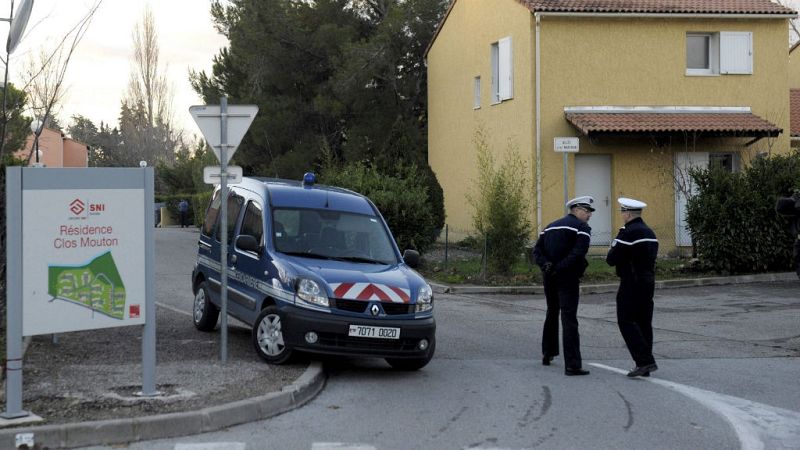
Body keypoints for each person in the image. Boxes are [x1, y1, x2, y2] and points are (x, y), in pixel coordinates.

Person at [533, 195, 594, 376]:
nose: (589, 215)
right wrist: (560, 267)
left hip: (549, 276)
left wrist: (546, 265)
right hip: (567, 277)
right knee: (569, 318)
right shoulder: (582, 228)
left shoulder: (549, 227)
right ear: (576, 210)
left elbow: (537, 250)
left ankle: (548, 352)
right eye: (587, 211)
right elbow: (578, 253)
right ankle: (572, 364)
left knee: (552, 312)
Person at [606, 198, 659, 377]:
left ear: (627, 214)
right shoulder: (650, 232)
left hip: (631, 281)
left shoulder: (628, 233)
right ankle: (645, 364)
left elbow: (611, 259)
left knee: (626, 320)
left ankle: (644, 361)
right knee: (644, 322)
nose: (621, 215)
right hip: (648, 280)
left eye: (622, 212)